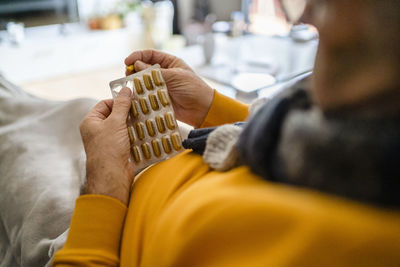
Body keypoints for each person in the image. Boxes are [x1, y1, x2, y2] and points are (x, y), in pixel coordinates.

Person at [52, 0, 400, 266]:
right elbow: (294, 135)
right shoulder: (365, 139)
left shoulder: (351, 248)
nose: (306, 14)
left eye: (329, 3)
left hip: (98, 233)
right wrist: (210, 107)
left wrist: (102, 190)